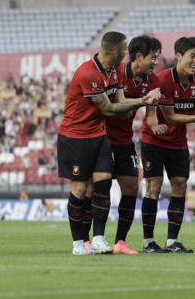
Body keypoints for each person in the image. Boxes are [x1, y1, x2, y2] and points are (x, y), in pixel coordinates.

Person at [57, 31, 161, 255]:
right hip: (76, 136)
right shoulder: (88, 73)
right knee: (81, 188)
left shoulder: (114, 71)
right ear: (116, 51)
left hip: (100, 135)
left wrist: (139, 105)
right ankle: (78, 243)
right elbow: (108, 108)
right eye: (125, 51)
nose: (127, 54)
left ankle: (99, 239)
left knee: (103, 184)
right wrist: (142, 101)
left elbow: (121, 104)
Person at [140, 37, 195, 254]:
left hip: (178, 142)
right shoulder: (163, 80)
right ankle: (148, 242)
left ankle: (172, 241)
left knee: (180, 185)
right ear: (178, 56)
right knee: (154, 186)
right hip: (154, 140)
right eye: (192, 56)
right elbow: (170, 117)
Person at [103, 35, 166, 255]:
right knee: (95, 188)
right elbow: (115, 108)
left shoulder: (154, 82)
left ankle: (120, 241)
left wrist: (156, 126)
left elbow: (150, 117)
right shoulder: (116, 72)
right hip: (102, 138)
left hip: (124, 140)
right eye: (154, 57)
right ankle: (88, 239)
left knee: (131, 187)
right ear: (139, 56)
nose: (156, 62)